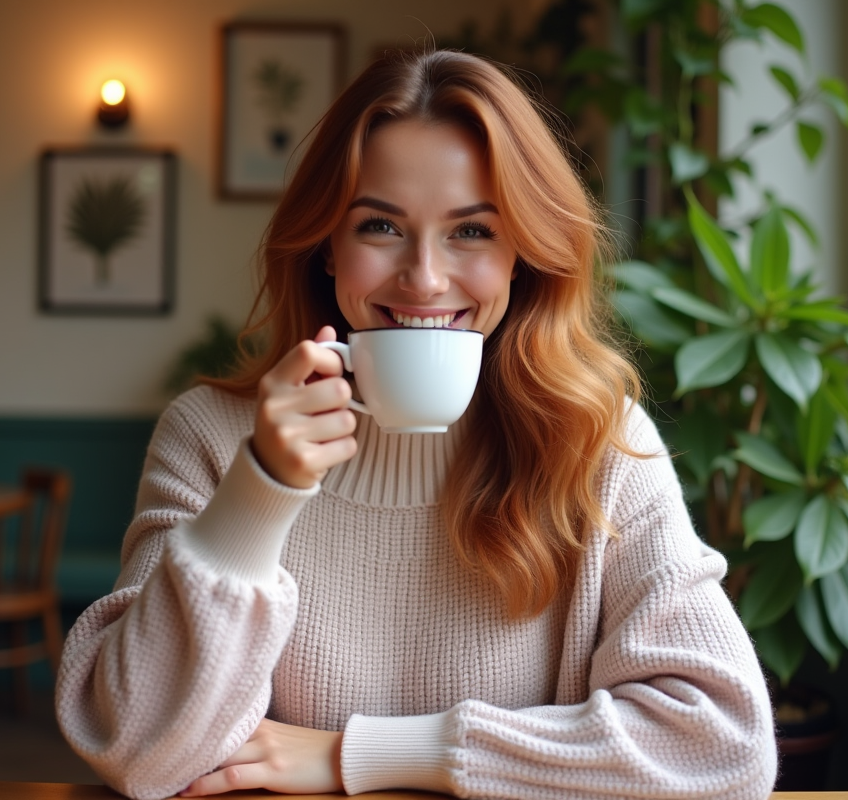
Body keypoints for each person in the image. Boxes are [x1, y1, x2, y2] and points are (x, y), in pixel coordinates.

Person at [55, 49, 777, 800]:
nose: (425, 278)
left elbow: (725, 748)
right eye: (380, 227)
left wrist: (364, 756)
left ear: (520, 255)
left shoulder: (597, 444)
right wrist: (260, 491)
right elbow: (135, 753)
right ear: (326, 246)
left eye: (471, 232)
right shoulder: (210, 436)